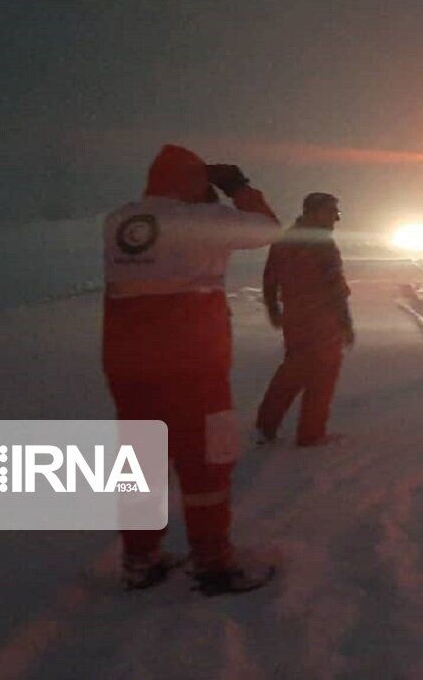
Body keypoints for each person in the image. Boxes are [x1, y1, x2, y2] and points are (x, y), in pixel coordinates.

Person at [103, 144, 280, 595]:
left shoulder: (119, 220)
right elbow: (267, 231)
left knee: (141, 459)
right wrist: (239, 189)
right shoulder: (202, 220)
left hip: (127, 365)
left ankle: (140, 560)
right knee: (206, 462)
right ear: (191, 183)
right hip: (192, 364)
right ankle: (213, 562)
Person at [256, 192, 354, 447]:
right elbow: (333, 288)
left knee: (293, 370)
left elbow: (269, 279)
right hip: (322, 319)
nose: (336, 218)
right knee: (323, 376)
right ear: (316, 212)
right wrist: (345, 323)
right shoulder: (322, 243)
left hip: (295, 317)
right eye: (332, 212)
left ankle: (266, 424)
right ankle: (311, 433)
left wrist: (273, 308)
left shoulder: (285, 240)